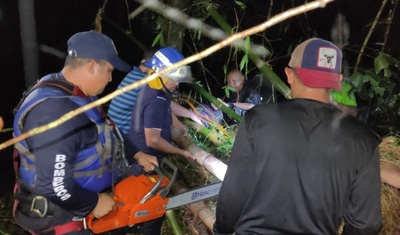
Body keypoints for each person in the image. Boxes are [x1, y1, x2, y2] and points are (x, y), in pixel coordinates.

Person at [213, 38, 382, 234]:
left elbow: (234, 192)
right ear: (338, 80)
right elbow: (367, 223)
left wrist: (221, 230)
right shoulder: (362, 139)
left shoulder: (258, 120)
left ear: (289, 74)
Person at [12, 30, 158, 235]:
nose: (109, 79)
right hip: (63, 219)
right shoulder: (56, 112)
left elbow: (106, 128)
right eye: (109, 70)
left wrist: (135, 153)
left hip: (87, 205)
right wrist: (93, 203)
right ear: (92, 66)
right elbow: (53, 185)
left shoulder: (72, 91)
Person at [130, 47, 195, 235]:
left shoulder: (155, 89)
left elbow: (167, 108)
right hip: (145, 162)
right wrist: (181, 152)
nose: (177, 84)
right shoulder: (155, 99)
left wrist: (180, 124)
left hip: (145, 156)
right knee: (152, 212)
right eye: (174, 78)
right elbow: (153, 140)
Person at [108, 48, 203, 136]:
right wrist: (185, 124)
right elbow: (167, 107)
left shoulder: (134, 74)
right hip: (121, 135)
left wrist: (191, 115)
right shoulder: (145, 83)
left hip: (112, 128)